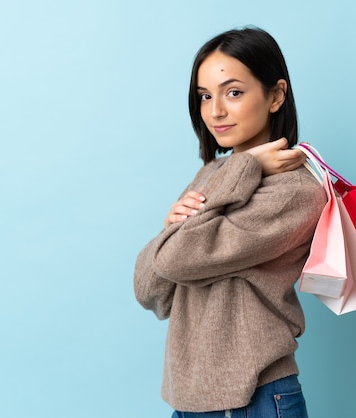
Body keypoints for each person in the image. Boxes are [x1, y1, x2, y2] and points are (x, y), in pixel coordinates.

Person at [133, 27, 326, 418]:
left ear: (275, 95)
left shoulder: (296, 192)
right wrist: (238, 171)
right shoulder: (212, 176)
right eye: (205, 96)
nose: (215, 111)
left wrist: (244, 168)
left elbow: (175, 260)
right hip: (189, 403)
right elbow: (150, 290)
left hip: (253, 398)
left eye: (233, 92)